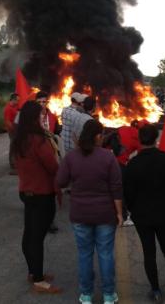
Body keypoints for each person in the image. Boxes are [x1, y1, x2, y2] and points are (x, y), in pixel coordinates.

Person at [57, 119, 122, 304]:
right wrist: (119, 214)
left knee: (85, 255)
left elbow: (60, 181)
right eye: (101, 135)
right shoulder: (108, 157)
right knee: (106, 254)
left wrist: (75, 181)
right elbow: (116, 188)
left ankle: (86, 295)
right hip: (105, 215)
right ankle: (109, 295)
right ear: (97, 136)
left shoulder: (71, 157)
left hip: (80, 214)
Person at [124, 124, 165, 303]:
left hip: (142, 216)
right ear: (155, 138)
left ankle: (156, 291)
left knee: (149, 252)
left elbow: (128, 192)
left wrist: (133, 209)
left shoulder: (133, 164)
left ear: (140, 139)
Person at [12, 101, 62, 294]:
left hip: (26, 192)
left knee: (30, 233)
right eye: (42, 115)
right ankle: (39, 280)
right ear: (34, 117)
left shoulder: (20, 138)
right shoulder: (38, 140)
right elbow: (52, 166)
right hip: (42, 193)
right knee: (37, 237)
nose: (44, 117)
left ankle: (33, 272)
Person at [116, 120, 142, 227]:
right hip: (122, 163)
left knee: (117, 188)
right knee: (124, 189)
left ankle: (119, 213)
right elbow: (141, 154)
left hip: (112, 160)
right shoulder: (137, 135)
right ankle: (126, 216)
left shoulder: (121, 129)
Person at [60, 92, 88, 156]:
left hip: (63, 142)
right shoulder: (78, 114)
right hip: (72, 146)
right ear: (78, 101)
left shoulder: (64, 110)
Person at [4, 93, 20, 175]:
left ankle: (16, 162)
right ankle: (12, 164)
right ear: (13, 100)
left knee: (16, 146)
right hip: (12, 131)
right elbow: (7, 121)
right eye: (17, 100)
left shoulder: (15, 107)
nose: (18, 102)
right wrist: (13, 130)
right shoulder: (8, 109)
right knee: (13, 145)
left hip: (16, 129)